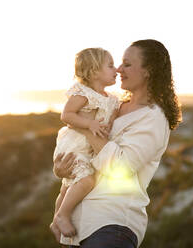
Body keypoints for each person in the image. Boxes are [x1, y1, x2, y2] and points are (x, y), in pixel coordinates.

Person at [52, 39, 182, 248]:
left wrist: (83, 126)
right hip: (79, 228)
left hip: (112, 225)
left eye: (127, 64)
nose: (120, 69)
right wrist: (63, 170)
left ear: (148, 71)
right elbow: (84, 151)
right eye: (119, 64)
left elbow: (119, 167)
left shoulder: (153, 118)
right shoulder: (113, 105)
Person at [50, 48, 120, 242]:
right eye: (111, 65)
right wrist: (89, 124)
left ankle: (56, 221)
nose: (117, 69)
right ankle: (62, 214)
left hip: (89, 147)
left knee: (67, 186)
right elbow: (67, 115)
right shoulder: (84, 94)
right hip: (74, 144)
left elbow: (111, 120)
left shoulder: (112, 99)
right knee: (86, 180)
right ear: (95, 71)